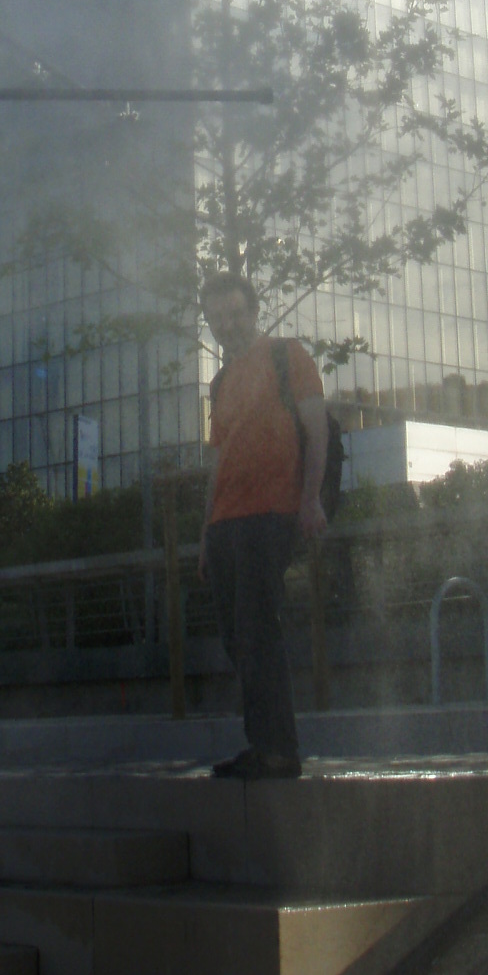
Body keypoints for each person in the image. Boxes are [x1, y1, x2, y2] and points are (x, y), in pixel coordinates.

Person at [199, 272, 328, 780]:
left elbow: (316, 425)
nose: (226, 324)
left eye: (234, 313)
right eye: (216, 318)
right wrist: (204, 535)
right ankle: (263, 744)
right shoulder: (222, 381)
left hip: (271, 512)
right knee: (237, 637)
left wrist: (311, 497)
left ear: (253, 311)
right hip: (226, 522)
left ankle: (278, 751)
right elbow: (218, 462)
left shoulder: (286, 356)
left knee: (257, 631)